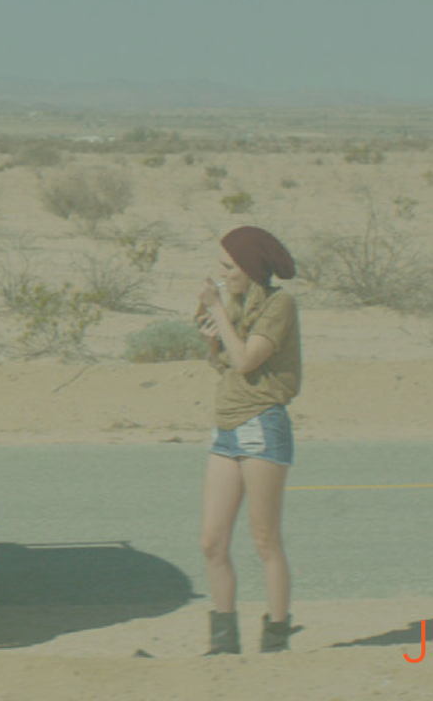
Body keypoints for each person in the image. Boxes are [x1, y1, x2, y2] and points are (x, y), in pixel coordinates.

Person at [194, 225, 302, 656]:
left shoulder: (280, 305)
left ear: (251, 268)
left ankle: (276, 637)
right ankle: (224, 642)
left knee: (264, 540)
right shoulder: (236, 305)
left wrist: (218, 310)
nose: (223, 274)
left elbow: (247, 360)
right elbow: (225, 365)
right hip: (227, 426)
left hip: (262, 426)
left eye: (229, 266)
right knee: (212, 541)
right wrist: (212, 342)